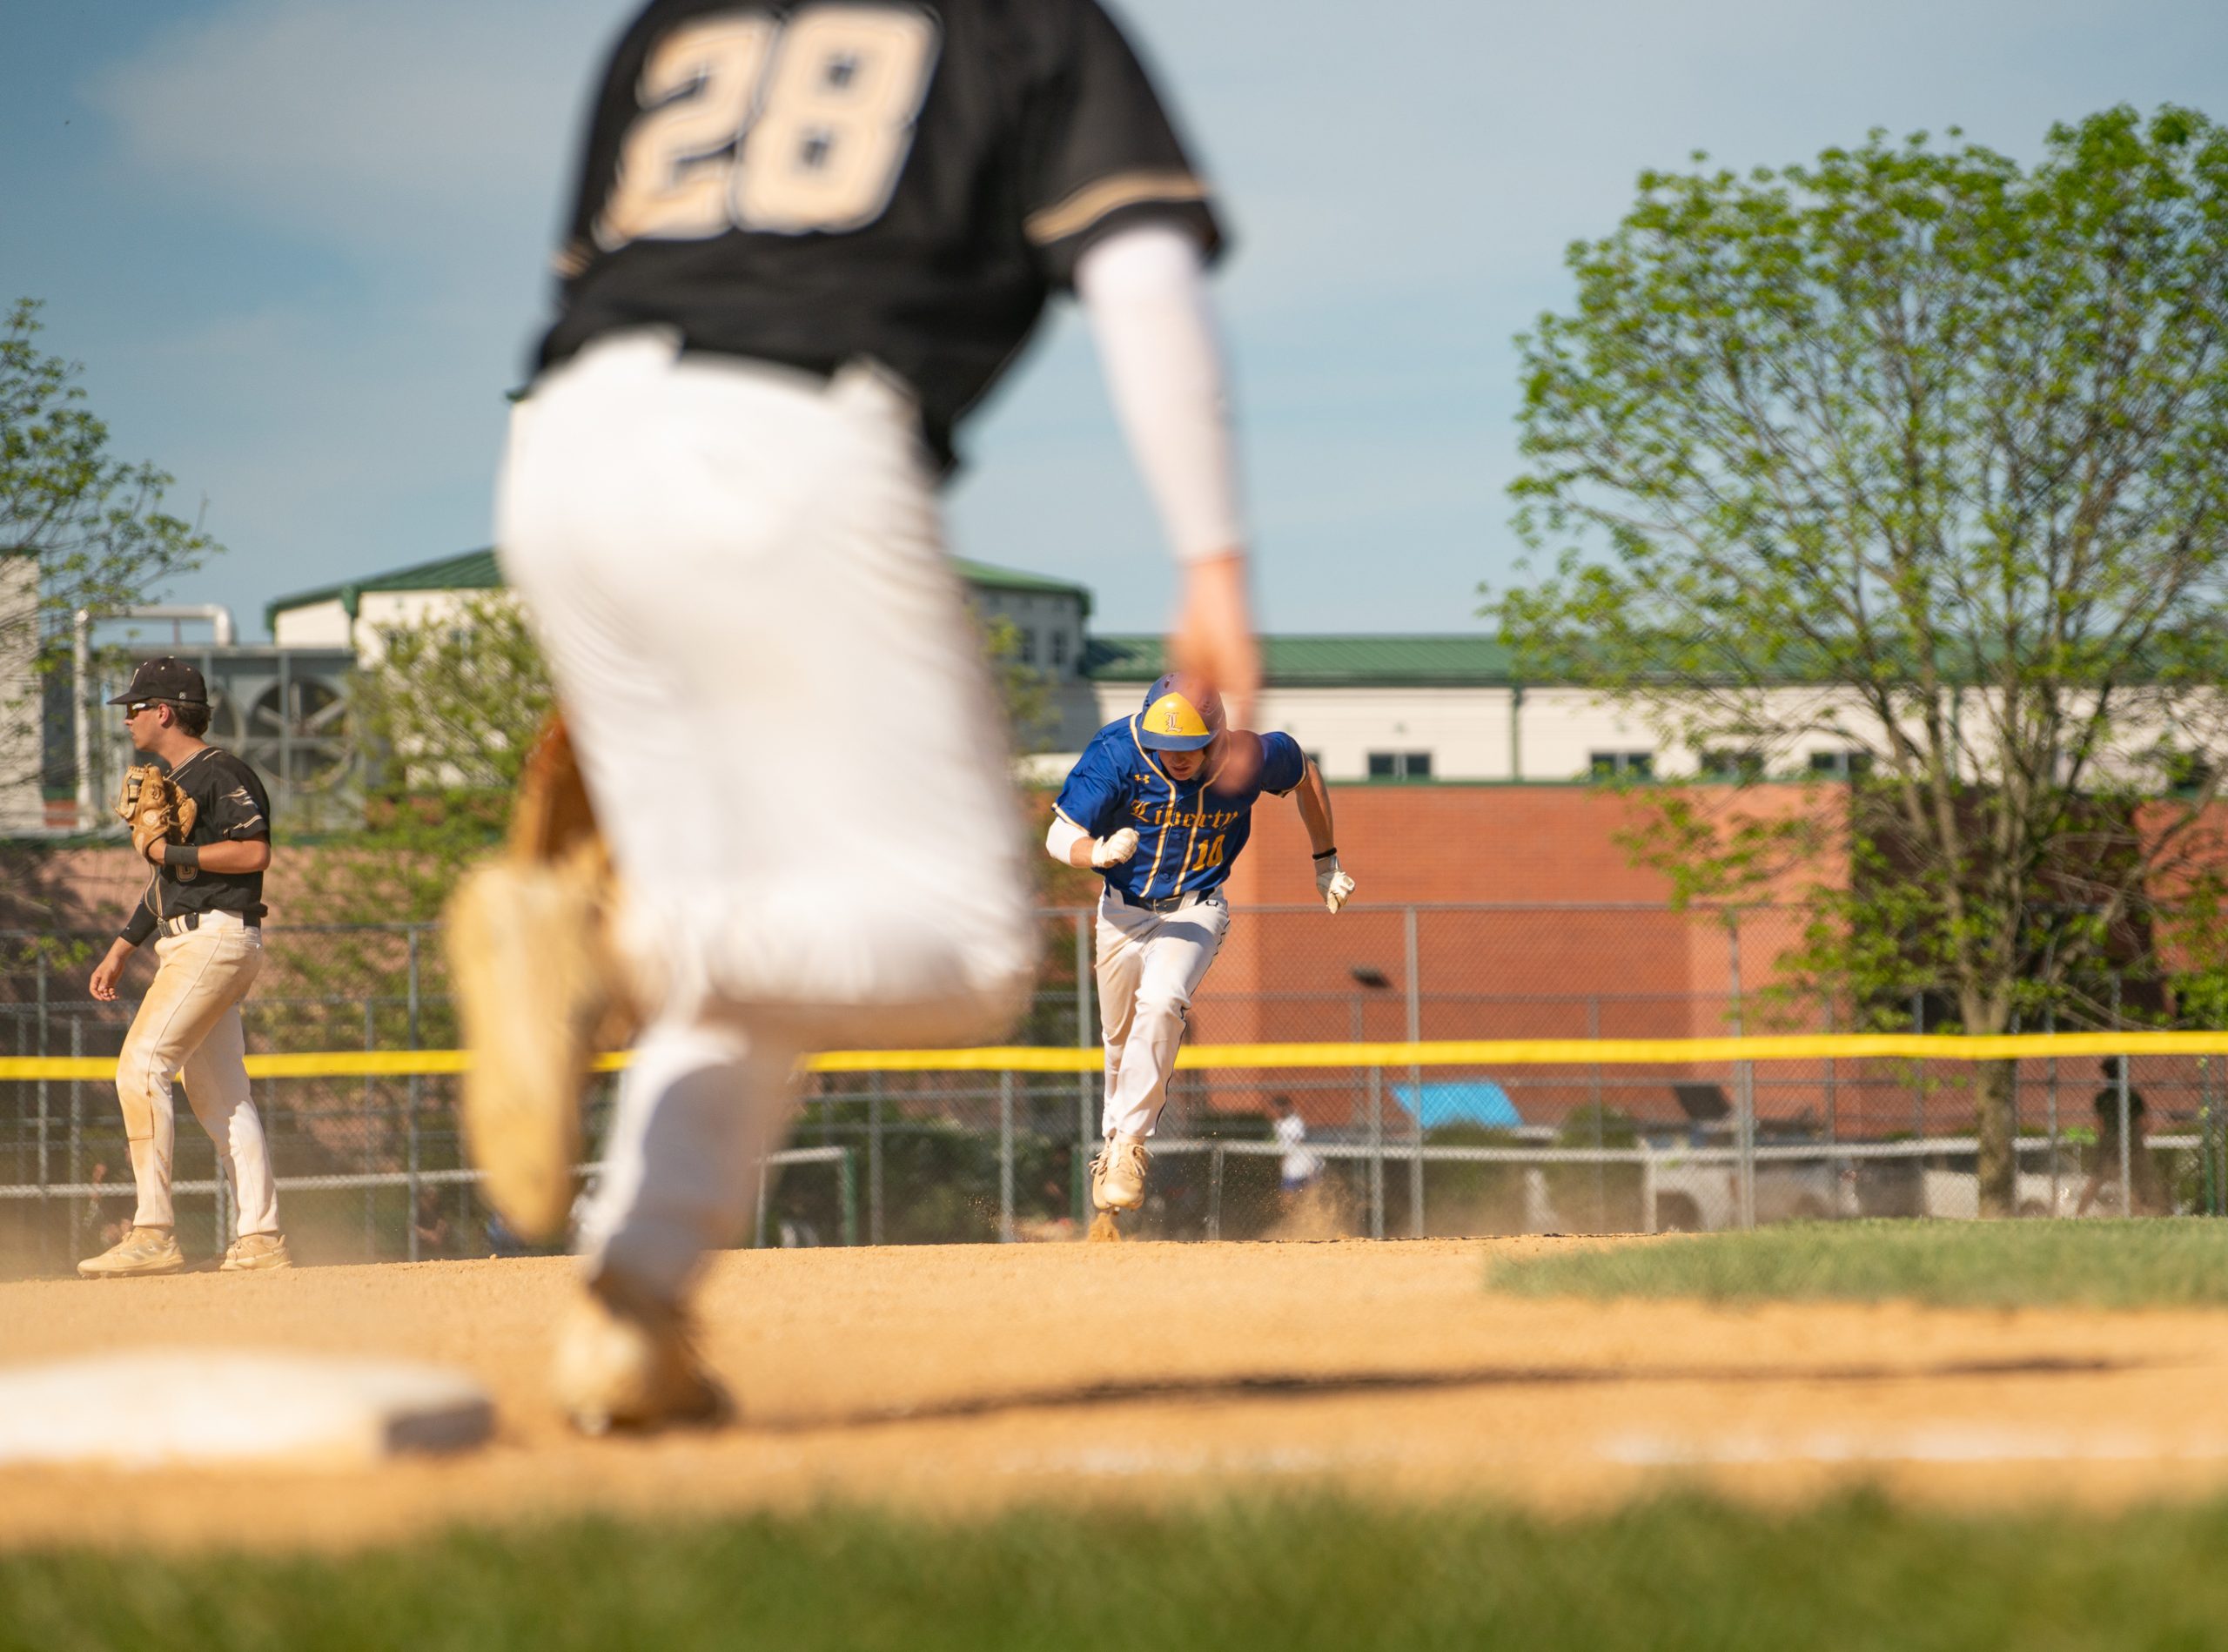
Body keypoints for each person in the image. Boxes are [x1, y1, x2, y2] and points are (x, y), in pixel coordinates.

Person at [477, 0, 1261, 1431]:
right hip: (790, 442)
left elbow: (594, 290)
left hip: (560, 454)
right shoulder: (1028, 22)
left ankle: (631, 1310)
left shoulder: (672, 24)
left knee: (774, 932)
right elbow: (1143, 276)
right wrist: (1214, 556)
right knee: (959, 942)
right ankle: (605, 933)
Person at [1050, 676, 1354, 1231]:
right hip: (1121, 910)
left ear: (1216, 735)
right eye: (1167, 745)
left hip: (1196, 907)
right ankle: (1113, 1145)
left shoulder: (1247, 757)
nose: (1178, 756)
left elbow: (1304, 771)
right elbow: (1057, 833)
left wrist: (1325, 859)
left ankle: (1129, 1146)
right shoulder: (1118, 751)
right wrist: (1091, 850)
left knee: (1163, 1001)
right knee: (1119, 1040)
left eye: (1192, 745)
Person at [77, 657, 291, 1278]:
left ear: (164, 711)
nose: (128, 720)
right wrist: (123, 946)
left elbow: (255, 850)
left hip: (213, 943)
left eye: (134, 708)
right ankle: (261, 1236)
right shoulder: (173, 778)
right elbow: (165, 882)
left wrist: (170, 848)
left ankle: (152, 1230)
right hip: (193, 940)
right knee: (222, 1097)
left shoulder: (220, 771)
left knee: (141, 1067)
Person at [2077, 1057, 2170, 1217]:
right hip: (2132, 1142)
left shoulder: (2102, 1098)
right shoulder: (2133, 1096)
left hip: (2109, 1144)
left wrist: (2107, 1140)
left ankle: (2079, 1213)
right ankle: (2153, 1213)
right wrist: (2135, 1136)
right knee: (2137, 1181)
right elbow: (2146, 1123)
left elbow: (2099, 1126)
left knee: (2097, 1180)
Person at [1271, 1093, 1322, 1200]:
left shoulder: (1295, 1121)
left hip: (1302, 1162)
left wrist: (1310, 1166)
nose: (1276, 1111)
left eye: (1278, 1107)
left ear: (1285, 1107)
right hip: (1290, 1165)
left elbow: (1299, 1141)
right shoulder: (1277, 1124)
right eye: (1274, 1108)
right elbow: (1284, 1145)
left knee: (1308, 1196)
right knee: (1287, 1197)